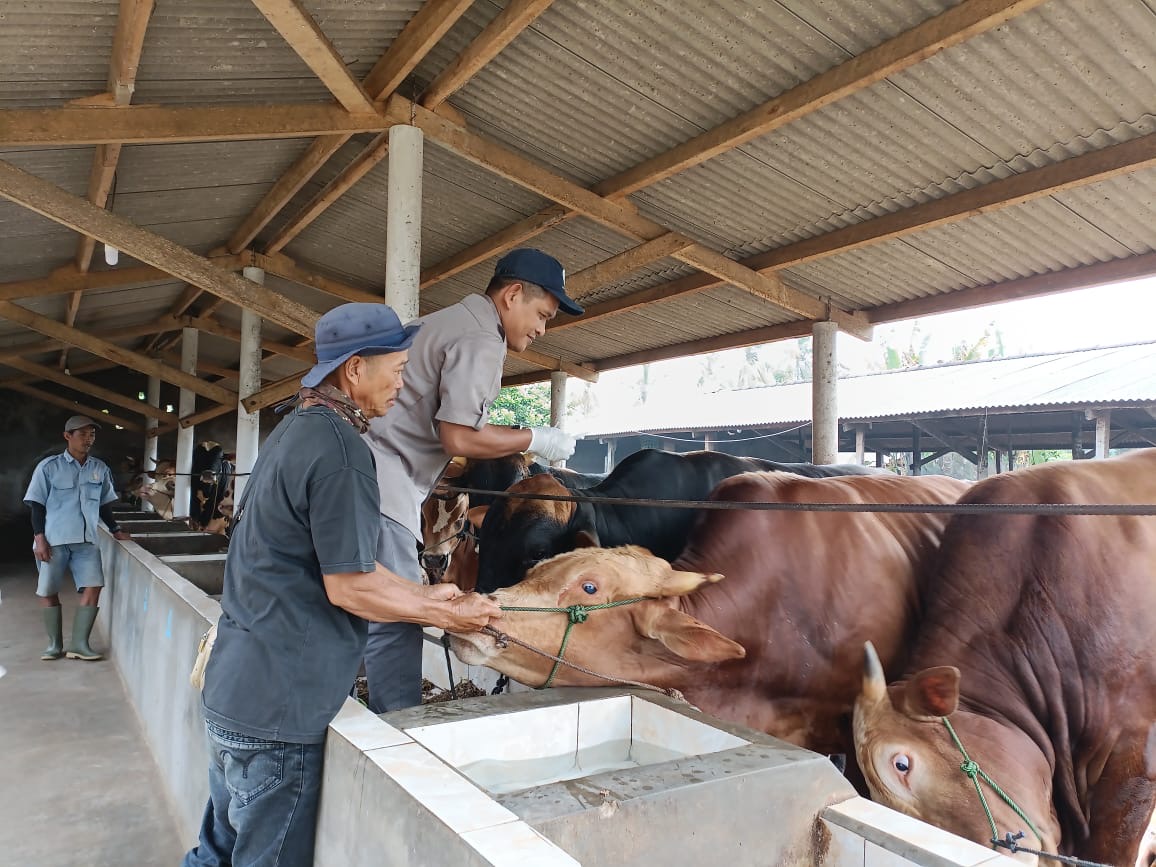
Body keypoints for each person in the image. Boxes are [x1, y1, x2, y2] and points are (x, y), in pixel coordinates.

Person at [183, 302, 501, 867]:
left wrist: (425, 596)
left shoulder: (292, 433)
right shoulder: (346, 454)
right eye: (398, 370)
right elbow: (350, 588)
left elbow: (338, 566)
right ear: (355, 370)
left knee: (215, 852)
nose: (404, 387)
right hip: (281, 712)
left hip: (235, 691)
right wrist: (449, 617)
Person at [362, 247, 582, 713]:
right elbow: (459, 436)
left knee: (361, 598)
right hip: (384, 484)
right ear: (513, 294)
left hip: (368, 473)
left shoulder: (445, 321)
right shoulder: (483, 338)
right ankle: (400, 730)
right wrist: (535, 437)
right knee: (398, 614)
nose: (542, 329)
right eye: (542, 315)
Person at [23, 415, 131, 662]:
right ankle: (54, 644)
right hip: (54, 539)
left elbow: (104, 506)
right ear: (67, 436)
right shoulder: (49, 467)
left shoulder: (99, 469)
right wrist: (40, 538)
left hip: (87, 541)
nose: (88, 439)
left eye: (91, 434)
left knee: (94, 585)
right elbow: (37, 506)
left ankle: (80, 644)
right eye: (82, 434)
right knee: (48, 589)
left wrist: (115, 530)